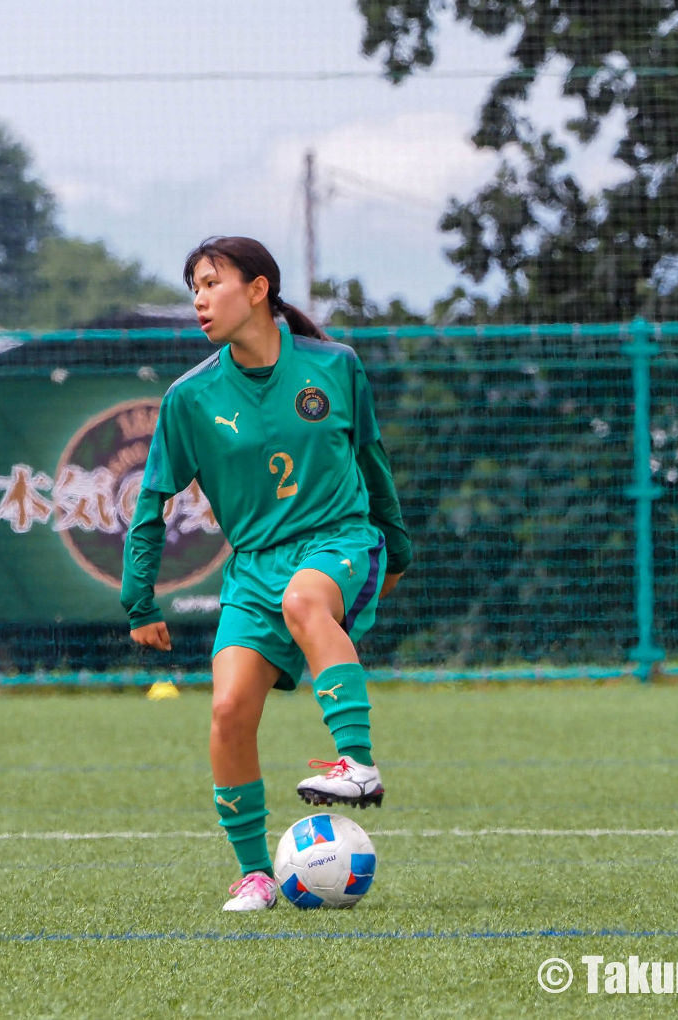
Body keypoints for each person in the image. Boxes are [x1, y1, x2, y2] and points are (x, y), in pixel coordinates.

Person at [120, 236, 411, 912]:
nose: (198, 298)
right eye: (193, 286)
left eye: (211, 283)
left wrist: (396, 551)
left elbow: (374, 464)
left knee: (306, 601)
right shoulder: (190, 398)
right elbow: (152, 502)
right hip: (252, 570)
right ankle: (256, 874)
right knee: (227, 712)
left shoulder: (334, 366)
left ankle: (357, 763)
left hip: (336, 538)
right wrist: (139, 602)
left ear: (258, 290)